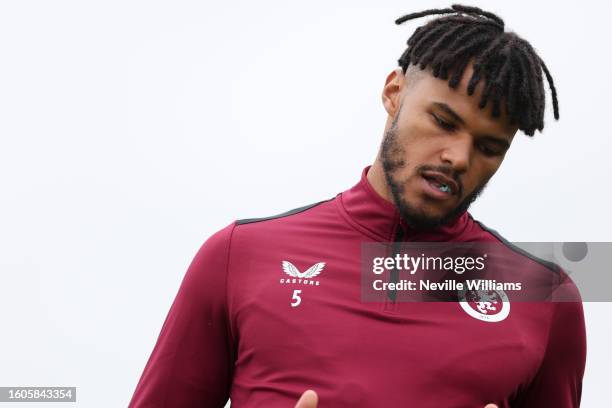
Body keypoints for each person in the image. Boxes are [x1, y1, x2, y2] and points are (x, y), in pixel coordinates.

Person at [128, 4, 586, 407]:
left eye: (489, 147)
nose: (459, 157)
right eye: (443, 121)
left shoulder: (547, 297)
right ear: (393, 93)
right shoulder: (237, 255)